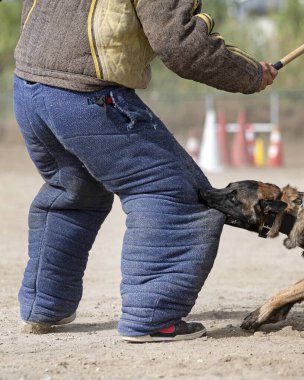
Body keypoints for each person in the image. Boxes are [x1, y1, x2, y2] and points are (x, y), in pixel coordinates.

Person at [13, 0, 278, 342]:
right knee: (175, 192)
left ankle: (44, 305)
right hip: (86, 95)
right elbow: (179, 44)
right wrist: (250, 73)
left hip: (29, 89)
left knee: (74, 189)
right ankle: (153, 317)